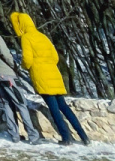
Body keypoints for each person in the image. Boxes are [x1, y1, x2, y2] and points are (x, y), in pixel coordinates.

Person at [11, 12, 90, 146]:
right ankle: (83, 136)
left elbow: (27, 60)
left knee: (54, 110)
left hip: (42, 76)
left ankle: (66, 138)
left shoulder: (26, 38)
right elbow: (55, 57)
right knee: (64, 107)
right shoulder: (43, 36)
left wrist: (25, 66)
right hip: (54, 75)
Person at [0, 12, 40, 144]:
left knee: (7, 104)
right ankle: (33, 135)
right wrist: (14, 66)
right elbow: (5, 53)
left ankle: (14, 135)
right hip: (5, 72)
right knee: (20, 103)